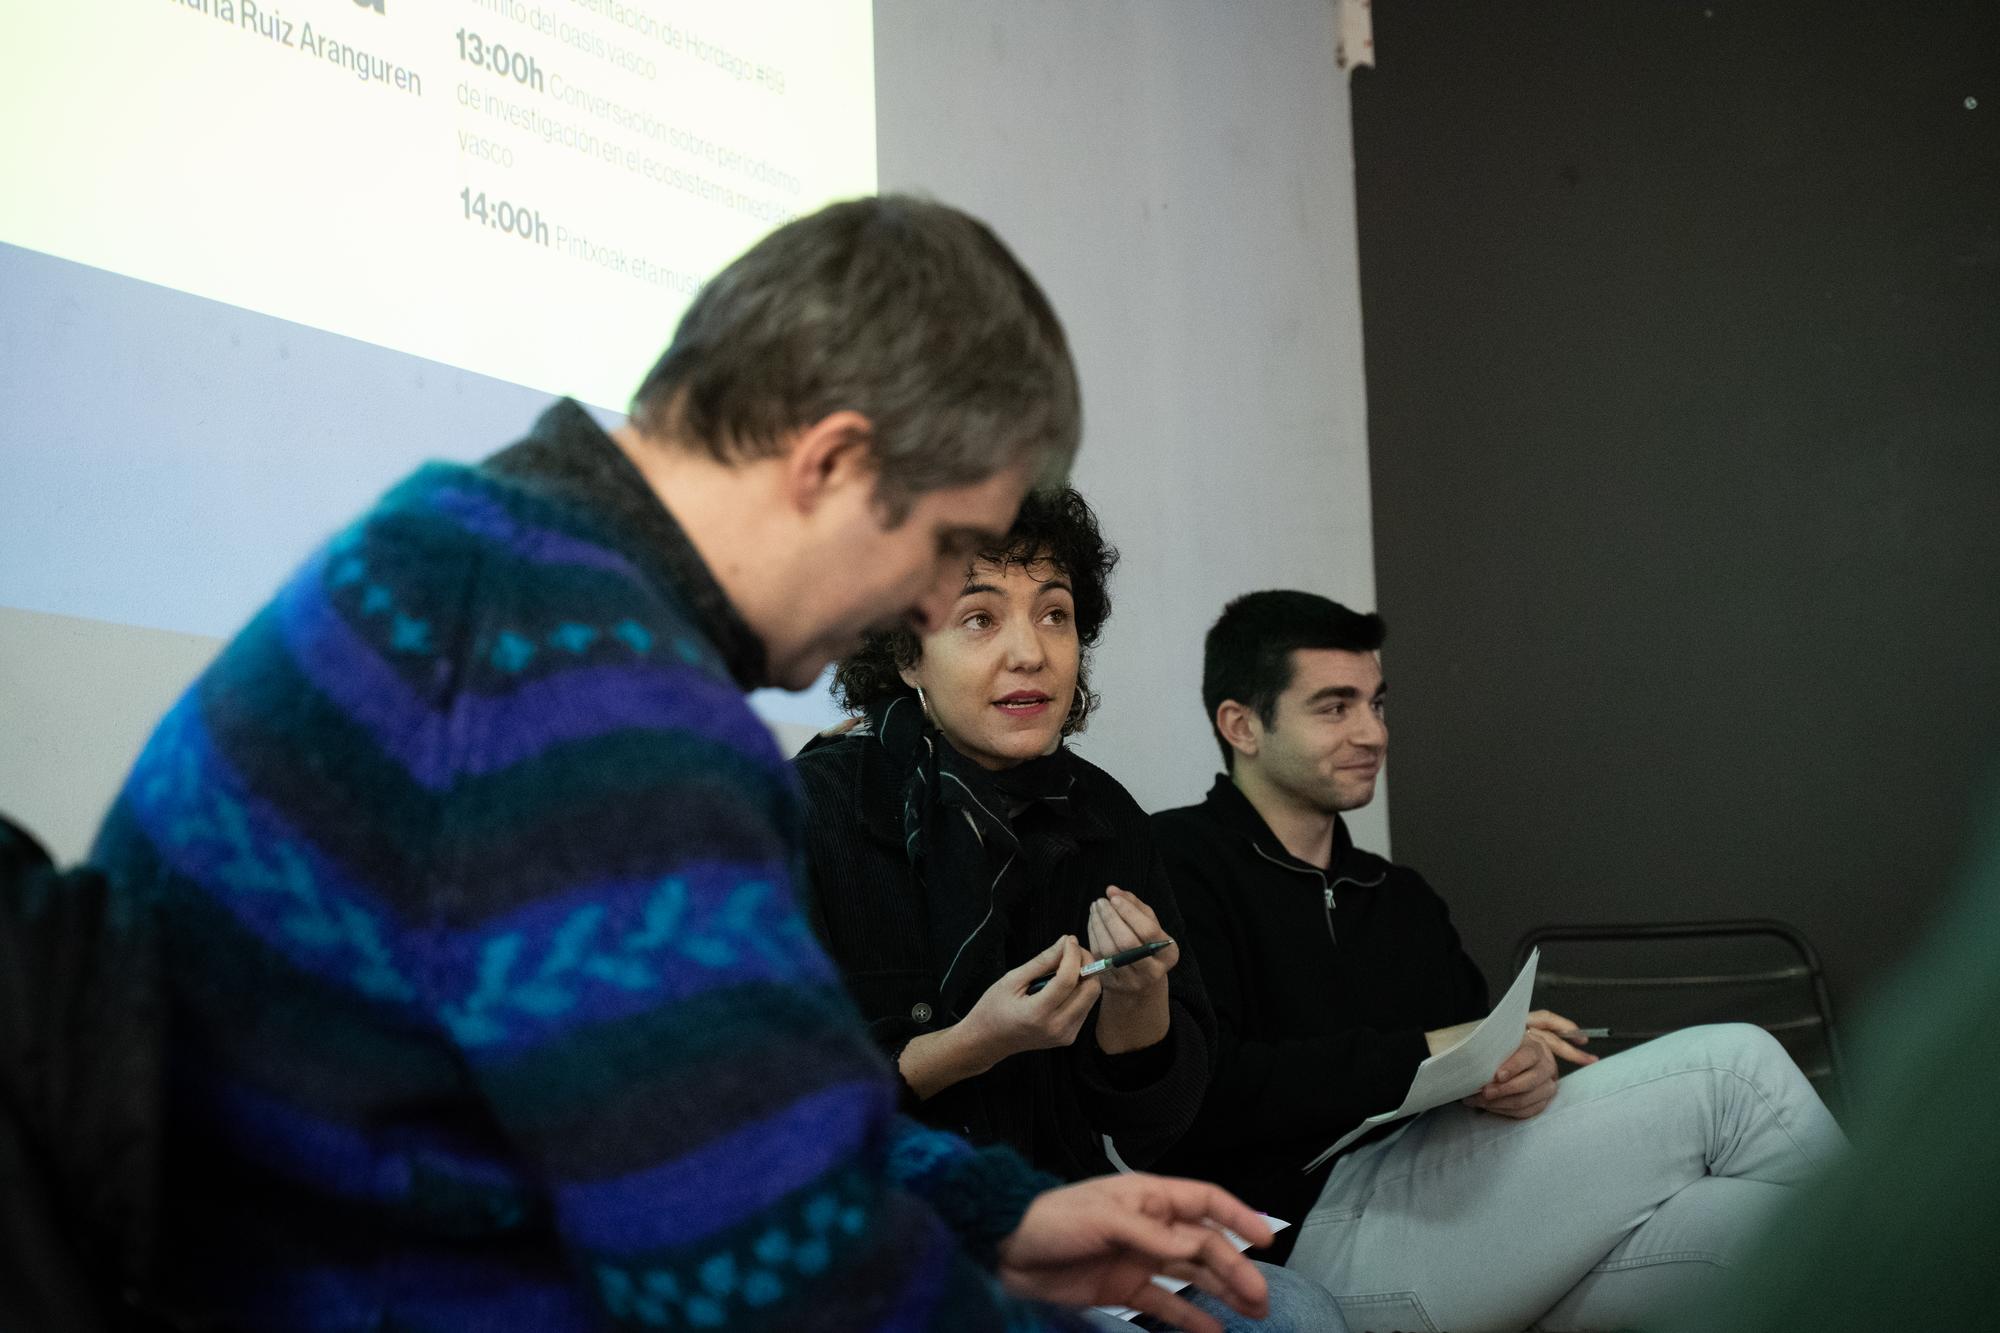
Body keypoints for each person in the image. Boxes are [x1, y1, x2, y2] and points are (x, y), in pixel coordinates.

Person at [86, 196, 1276, 1332]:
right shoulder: (590, 694)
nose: (922, 601)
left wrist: (992, 1211)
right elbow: (767, 1286)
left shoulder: (473, 555)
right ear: (830, 463)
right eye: (945, 549)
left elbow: (728, 1100)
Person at [1153, 590, 1845, 1333]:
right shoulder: (1175, 864)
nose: (1372, 731)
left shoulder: (1401, 896)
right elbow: (1203, 1094)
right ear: (1242, 725)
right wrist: (1429, 1049)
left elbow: (1473, 1053)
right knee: (1733, 1069)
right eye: (1334, 706)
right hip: (1304, 1236)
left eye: (1377, 704)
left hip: (1465, 1211)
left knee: (1749, 1222)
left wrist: (1516, 1071)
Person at [793, 490, 1345, 1333]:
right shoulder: (815, 812)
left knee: (1293, 1312)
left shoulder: (1105, 816)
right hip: (884, 1247)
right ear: (907, 654)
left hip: (1068, 1228)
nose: (1031, 652)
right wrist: (968, 1046)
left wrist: (1141, 1002)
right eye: (979, 620)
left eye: (1055, 615)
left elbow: (1154, 1124)